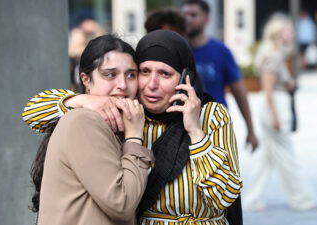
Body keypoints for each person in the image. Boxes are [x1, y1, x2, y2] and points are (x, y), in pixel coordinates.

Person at [22, 30, 242, 224]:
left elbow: (225, 197)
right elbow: (32, 113)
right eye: (144, 72)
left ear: (185, 78)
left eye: (165, 74)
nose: (152, 84)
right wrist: (82, 100)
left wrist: (195, 133)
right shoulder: (127, 114)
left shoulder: (210, 114)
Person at [25, 35, 154, 225]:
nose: (122, 85)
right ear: (85, 79)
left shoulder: (122, 119)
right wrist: (134, 137)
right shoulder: (84, 120)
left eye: (131, 75)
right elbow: (122, 204)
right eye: (110, 74)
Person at [244, 13, 317, 211]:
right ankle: (301, 199)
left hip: (274, 105)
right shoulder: (274, 55)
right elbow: (267, 88)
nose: (292, 34)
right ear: (277, 33)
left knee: (265, 158)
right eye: (288, 31)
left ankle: (251, 199)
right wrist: (275, 117)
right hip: (275, 107)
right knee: (287, 156)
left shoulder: (275, 54)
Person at [182, 0, 258, 151]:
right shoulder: (177, 50)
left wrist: (250, 129)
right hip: (183, 127)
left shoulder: (221, 51)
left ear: (206, 19)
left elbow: (239, 92)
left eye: (193, 15)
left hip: (216, 126)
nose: (187, 19)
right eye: (184, 14)